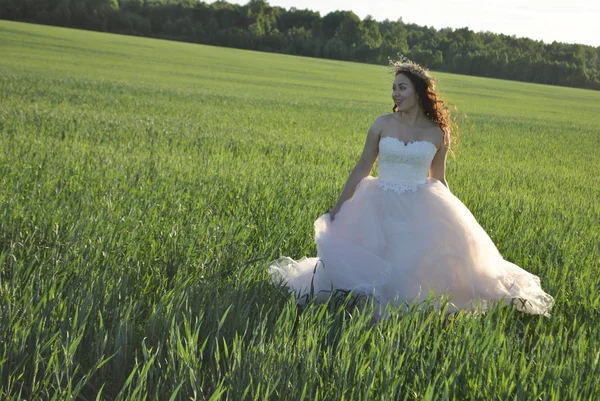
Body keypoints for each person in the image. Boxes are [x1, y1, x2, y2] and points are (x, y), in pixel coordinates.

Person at [269, 60, 554, 318]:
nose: (395, 94)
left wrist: (456, 218)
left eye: (402, 87)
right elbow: (362, 168)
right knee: (372, 257)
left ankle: (407, 305)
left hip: (420, 201)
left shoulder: (437, 133)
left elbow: (439, 178)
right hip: (376, 200)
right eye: (393, 88)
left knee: (413, 262)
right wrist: (339, 205)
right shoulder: (382, 124)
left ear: (418, 91)